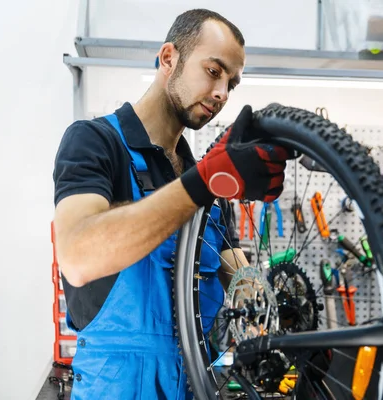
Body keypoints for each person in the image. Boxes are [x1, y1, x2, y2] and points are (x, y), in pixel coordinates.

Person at [53, 9, 294, 399]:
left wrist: (268, 306)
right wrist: (201, 184)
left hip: (195, 380)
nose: (222, 93)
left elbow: (228, 259)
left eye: (231, 83)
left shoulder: (203, 175)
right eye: (214, 71)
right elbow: (78, 257)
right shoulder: (95, 142)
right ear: (169, 58)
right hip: (117, 385)